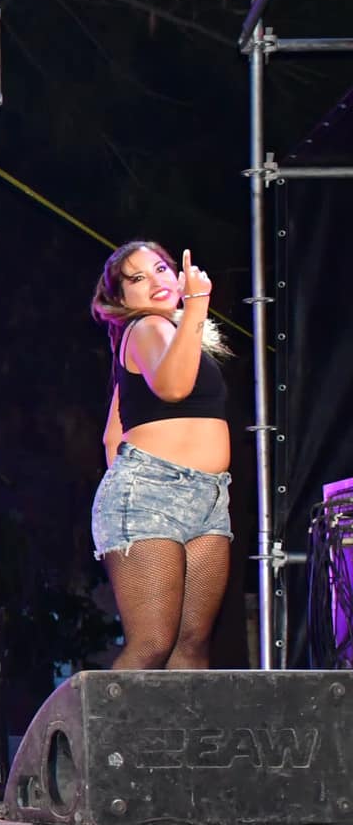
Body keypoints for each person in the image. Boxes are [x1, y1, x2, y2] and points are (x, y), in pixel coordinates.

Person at [89, 240, 232, 668]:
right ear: (121, 299)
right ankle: (98, 718)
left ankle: (179, 722)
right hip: (151, 494)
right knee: (151, 645)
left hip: (208, 498)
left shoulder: (174, 337)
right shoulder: (147, 327)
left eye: (161, 269)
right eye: (137, 278)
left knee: (191, 647)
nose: (154, 281)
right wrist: (197, 303)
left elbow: (113, 434)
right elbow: (173, 388)